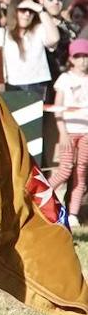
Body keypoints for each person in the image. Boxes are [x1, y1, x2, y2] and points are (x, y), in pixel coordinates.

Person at [0, 0, 58, 97]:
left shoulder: (39, 30)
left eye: (31, 11)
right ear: (14, 10)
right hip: (11, 86)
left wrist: (40, 9)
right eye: (23, 10)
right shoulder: (0, 33)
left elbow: (54, 38)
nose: (27, 14)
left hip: (38, 86)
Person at [51, 38, 88, 227]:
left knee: (81, 172)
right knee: (64, 170)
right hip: (69, 131)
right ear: (71, 59)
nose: (83, 60)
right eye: (78, 56)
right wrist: (62, 132)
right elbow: (58, 108)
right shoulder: (65, 79)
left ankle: (73, 214)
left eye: (86, 56)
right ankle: (41, 196)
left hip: (86, 133)